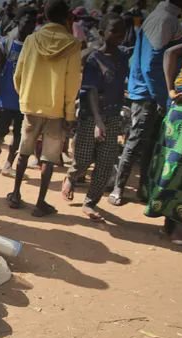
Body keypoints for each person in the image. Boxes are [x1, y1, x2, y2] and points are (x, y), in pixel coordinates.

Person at [109, 0, 182, 206]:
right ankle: (118, 188)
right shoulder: (164, 19)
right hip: (148, 94)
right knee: (136, 142)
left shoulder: (166, 16)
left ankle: (143, 189)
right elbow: (151, 65)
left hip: (152, 92)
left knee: (150, 145)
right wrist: (164, 96)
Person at [8, 0, 81, 217]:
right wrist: (69, 113)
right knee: (49, 157)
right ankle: (40, 203)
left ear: (45, 15)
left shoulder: (31, 39)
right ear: (66, 17)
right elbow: (72, 83)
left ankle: (15, 194)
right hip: (56, 109)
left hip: (31, 105)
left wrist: (25, 97)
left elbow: (18, 74)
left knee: (24, 151)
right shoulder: (73, 44)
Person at [61, 14, 129, 222]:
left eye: (121, 32)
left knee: (106, 162)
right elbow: (90, 92)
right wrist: (98, 122)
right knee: (82, 159)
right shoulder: (93, 59)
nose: (118, 36)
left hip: (113, 115)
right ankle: (71, 177)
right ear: (102, 33)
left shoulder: (123, 57)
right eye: (113, 31)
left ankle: (90, 202)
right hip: (92, 115)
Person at [144, 39, 182, 244]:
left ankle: (170, 226)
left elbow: (169, 53)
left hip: (178, 114)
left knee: (173, 168)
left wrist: (171, 91)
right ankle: (179, 231)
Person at [0, 7, 38, 176]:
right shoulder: (5, 44)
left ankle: (9, 164)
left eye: (33, 22)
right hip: (4, 99)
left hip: (24, 100)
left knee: (19, 134)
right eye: (27, 21)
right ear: (18, 21)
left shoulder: (35, 45)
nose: (30, 25)